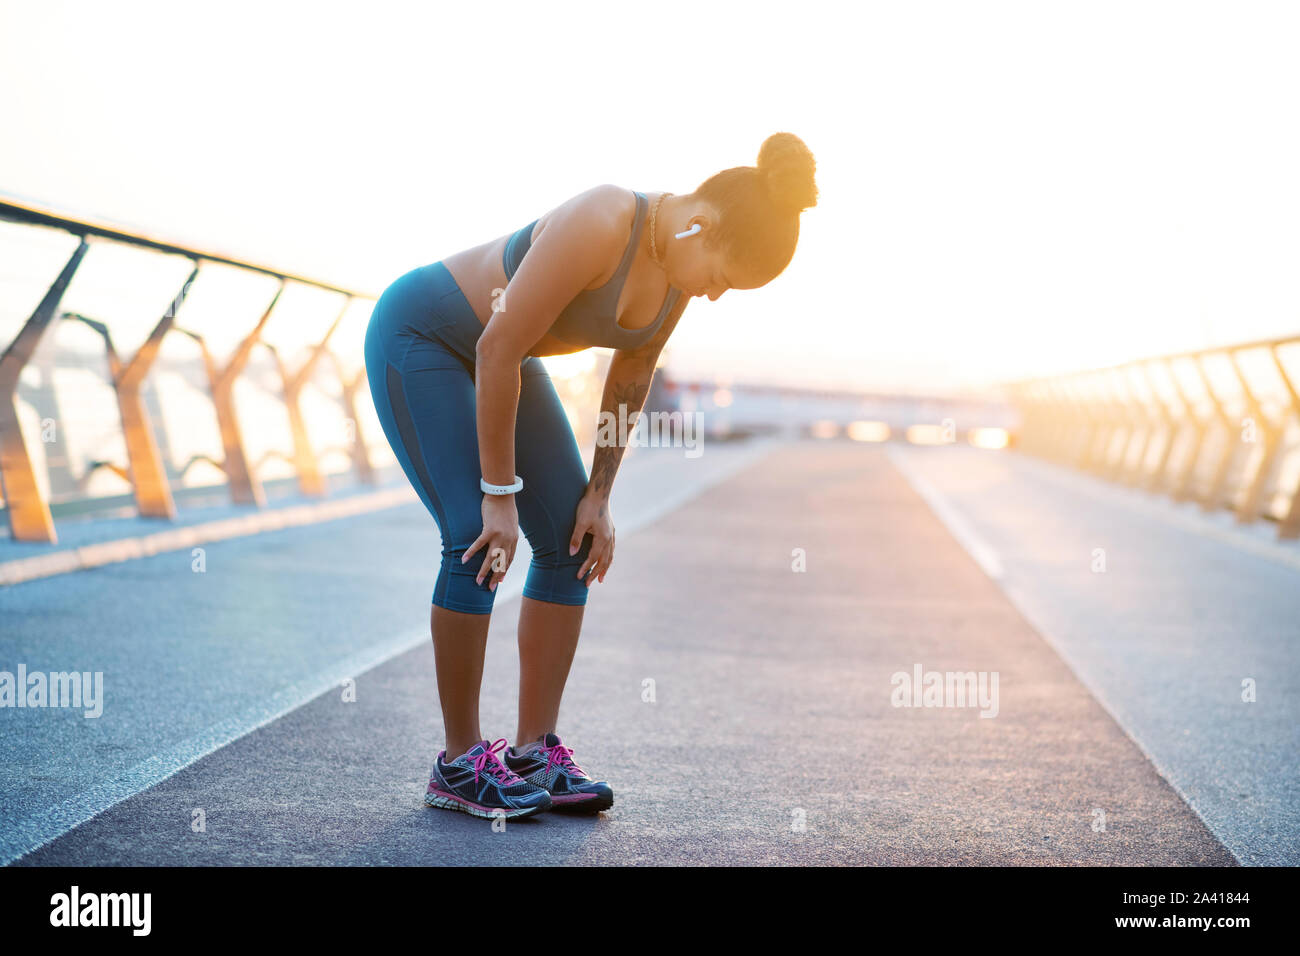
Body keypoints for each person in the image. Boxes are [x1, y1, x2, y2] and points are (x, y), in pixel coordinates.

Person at [362, 132, 818, 820]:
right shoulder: (605, 221)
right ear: (701, 224)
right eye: (722, 279)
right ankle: (457, 764)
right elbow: (496, 346)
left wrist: (599, 498)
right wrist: (498, 496)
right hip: (425, 336)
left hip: (502, 359)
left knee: (570, 539)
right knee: (475, 538)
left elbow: (632, 373)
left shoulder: (680, 266)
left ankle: (531, 753)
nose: (715, 297)